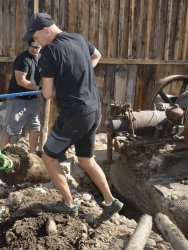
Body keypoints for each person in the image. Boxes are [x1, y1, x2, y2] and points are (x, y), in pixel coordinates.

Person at [23, 13, 123, 224]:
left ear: (46, 30)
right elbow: (97, 55)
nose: (35, 41)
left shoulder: (49, 52)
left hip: (74, 114)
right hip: (94, 110)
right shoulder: (78, 38)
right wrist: (79, 74)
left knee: (49, 158)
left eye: (36, 36)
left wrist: (59, 83)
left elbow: (48, 94)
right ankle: (110, 201)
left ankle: (69, 205)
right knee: (86, 159)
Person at [0, 38, 42, 153]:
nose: (35, 49)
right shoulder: (22, 58)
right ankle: (0, 154)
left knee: (36, 127)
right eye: (33, 46)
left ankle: (32, 154)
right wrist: (40, 89)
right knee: (11, 128)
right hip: (17, 98)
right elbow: (21, 81)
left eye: (38, 47)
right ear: (28, 46)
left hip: (34, 98)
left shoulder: (42, 59)